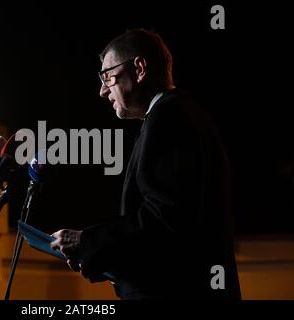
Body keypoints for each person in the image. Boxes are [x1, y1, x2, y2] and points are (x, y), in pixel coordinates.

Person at [50, 28, 241, 299]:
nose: (103, 90)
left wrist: (87, 241)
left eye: (107, 76)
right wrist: (96, 255)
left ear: (139, 69)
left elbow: (165, 220)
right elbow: (171, 234)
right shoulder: (185, 115)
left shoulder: (169, 117)